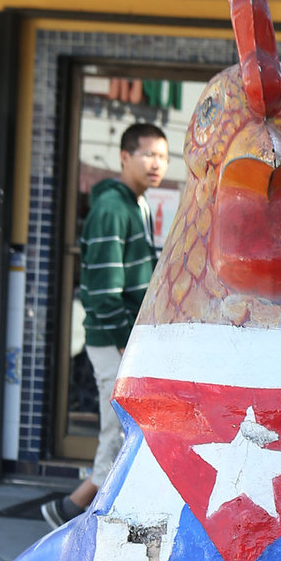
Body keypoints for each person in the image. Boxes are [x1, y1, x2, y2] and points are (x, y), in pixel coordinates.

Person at [42, 122, 168, 528]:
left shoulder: (137, 204)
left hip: (127, 337)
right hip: (115, 339)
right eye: (148, 154)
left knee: (127, 424)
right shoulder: (113, 209)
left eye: (163, 157)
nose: (156, 164)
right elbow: (103, 287)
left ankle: (81, 509)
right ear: (124, 157)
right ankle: (75, 508)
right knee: (118, 427)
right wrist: (121, 339)